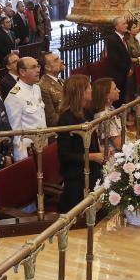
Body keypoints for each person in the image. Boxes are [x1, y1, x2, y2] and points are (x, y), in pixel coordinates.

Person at [56, 75, 104, 213]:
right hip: (77, 177)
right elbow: (64, 155)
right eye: (88, 87)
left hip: (91, 171)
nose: (91, 90)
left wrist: (99, 150)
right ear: (80, 93)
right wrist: (93, 156)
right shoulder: (66, 119)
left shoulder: (86, 112)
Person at [4, 57, 46, 162]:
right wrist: (22, 159)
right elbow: (16, 132)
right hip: (28, 151)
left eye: (38, 66)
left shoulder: (36, 88)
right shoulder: (15, 96)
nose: (38, 70)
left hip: (43, 145)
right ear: (22, 72)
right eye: (33, 67)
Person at [102, 17, 132, 106]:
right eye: (123, 24)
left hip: (124, 74)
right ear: (116, 26)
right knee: (117, 101)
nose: (126, 25)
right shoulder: (112, 40)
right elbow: (116, 59)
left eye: (126, 23)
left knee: (122, 97)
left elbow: (127, 55)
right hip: (117, 75)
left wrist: (129, 68)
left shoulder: (124, 38)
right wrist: (127, 70)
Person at [92, 77, 123, 157]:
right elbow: (120, 145)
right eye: (115, 89)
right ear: (106, 95)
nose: (119, 91)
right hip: (113, 157)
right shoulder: (105, 116)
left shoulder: (111, 109)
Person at [39, 52, 65, 126]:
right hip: (61, 130)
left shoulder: (61, 81)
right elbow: (52, 119)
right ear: (47, 67)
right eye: (56, 60)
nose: (61, 61)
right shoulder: (43, 87)